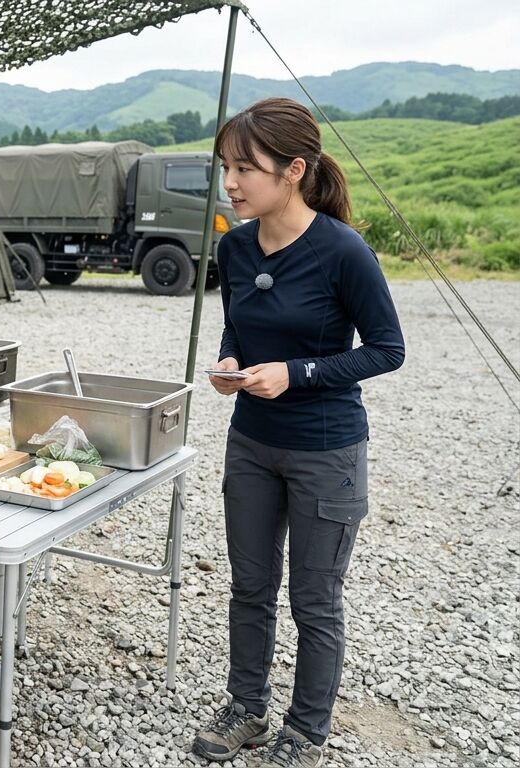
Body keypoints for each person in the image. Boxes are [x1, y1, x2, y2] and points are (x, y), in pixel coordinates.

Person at [192, 97, 405, 768]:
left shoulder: (343, 251)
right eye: (225, 166)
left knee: (315, 601)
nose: (231, 182)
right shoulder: (233, 243)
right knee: (249, 587)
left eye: (244, 168)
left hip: (326, 450)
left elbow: (387, 349)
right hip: (250, 442)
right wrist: (231, 361)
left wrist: (297, 372)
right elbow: (238, 322)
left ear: (293, 170)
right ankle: (246, 708)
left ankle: (306, 732)